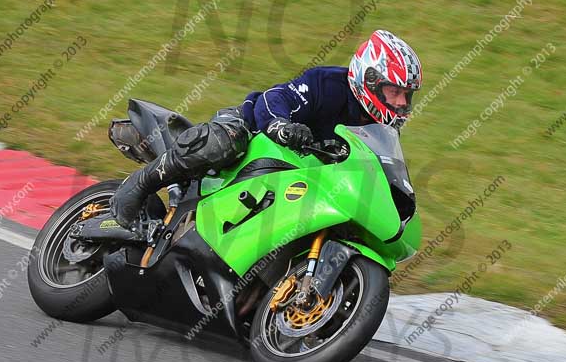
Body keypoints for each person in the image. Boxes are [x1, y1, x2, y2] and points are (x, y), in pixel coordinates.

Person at [110, 29, 423, 229]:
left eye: (406, 96)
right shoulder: (328, 83)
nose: (400, 103)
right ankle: (140, 183)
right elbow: (274, 98)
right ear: (368, 80)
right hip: (251, 130)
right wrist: (282, 126)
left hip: (295, 175)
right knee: (225, 142)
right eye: (394, 92)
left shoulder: (377, 128)